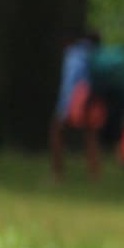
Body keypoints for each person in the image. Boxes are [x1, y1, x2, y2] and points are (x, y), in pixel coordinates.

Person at [49, 31, 103, 181]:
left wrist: (64, 107)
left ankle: (57, 173)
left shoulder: (73, 54)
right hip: (91, 98)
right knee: (90, 136)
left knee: (57, 132)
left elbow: (70, 82)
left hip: (74, 99)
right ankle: (94, 175)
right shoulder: (94, 54)